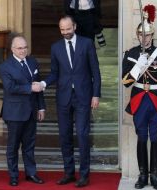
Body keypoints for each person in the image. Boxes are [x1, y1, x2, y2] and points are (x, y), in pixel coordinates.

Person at [34, 15, 101, 187]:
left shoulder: (86, 44)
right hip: (63, 98)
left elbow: (95, 71)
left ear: (75, 27)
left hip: (83, 97)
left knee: (83, 135)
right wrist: (43, 83)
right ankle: (69, 173)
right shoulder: (55, 47)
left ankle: (84, 175)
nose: (65, 32)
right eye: (62, 30)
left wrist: (96, 94)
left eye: (68, 29)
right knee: (64, 137)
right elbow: (54, 73)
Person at [122, 5, 157, 190]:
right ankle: (142, 174)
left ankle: (155, 175)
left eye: (147, 35)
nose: (144, 39)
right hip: (139, 100)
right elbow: (125, 82)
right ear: (138, 36)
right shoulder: (130, 54)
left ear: (152, 35)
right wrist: (138, 68)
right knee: (141, 137)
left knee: (155, 137)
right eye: (141, 35)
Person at [0, 35, 46, 186]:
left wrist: (41, 107)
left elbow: (38, 86)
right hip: (14, 112)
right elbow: (10, 88)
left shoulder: (32, 61)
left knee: (29, 145)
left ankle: (31, 173)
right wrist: (30, 87)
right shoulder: (5, 66)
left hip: (31, 111)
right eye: (19, 48)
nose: (23, 50)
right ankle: (13, 176)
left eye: (25, 47)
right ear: (12, 49)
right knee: (13, 146)